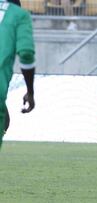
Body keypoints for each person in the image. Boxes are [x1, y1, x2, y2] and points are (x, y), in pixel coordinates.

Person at [0, 0, 36, 149]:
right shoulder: (18, 15)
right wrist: (30, 92)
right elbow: (26, 54)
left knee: (6, 121)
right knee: (5, 121)